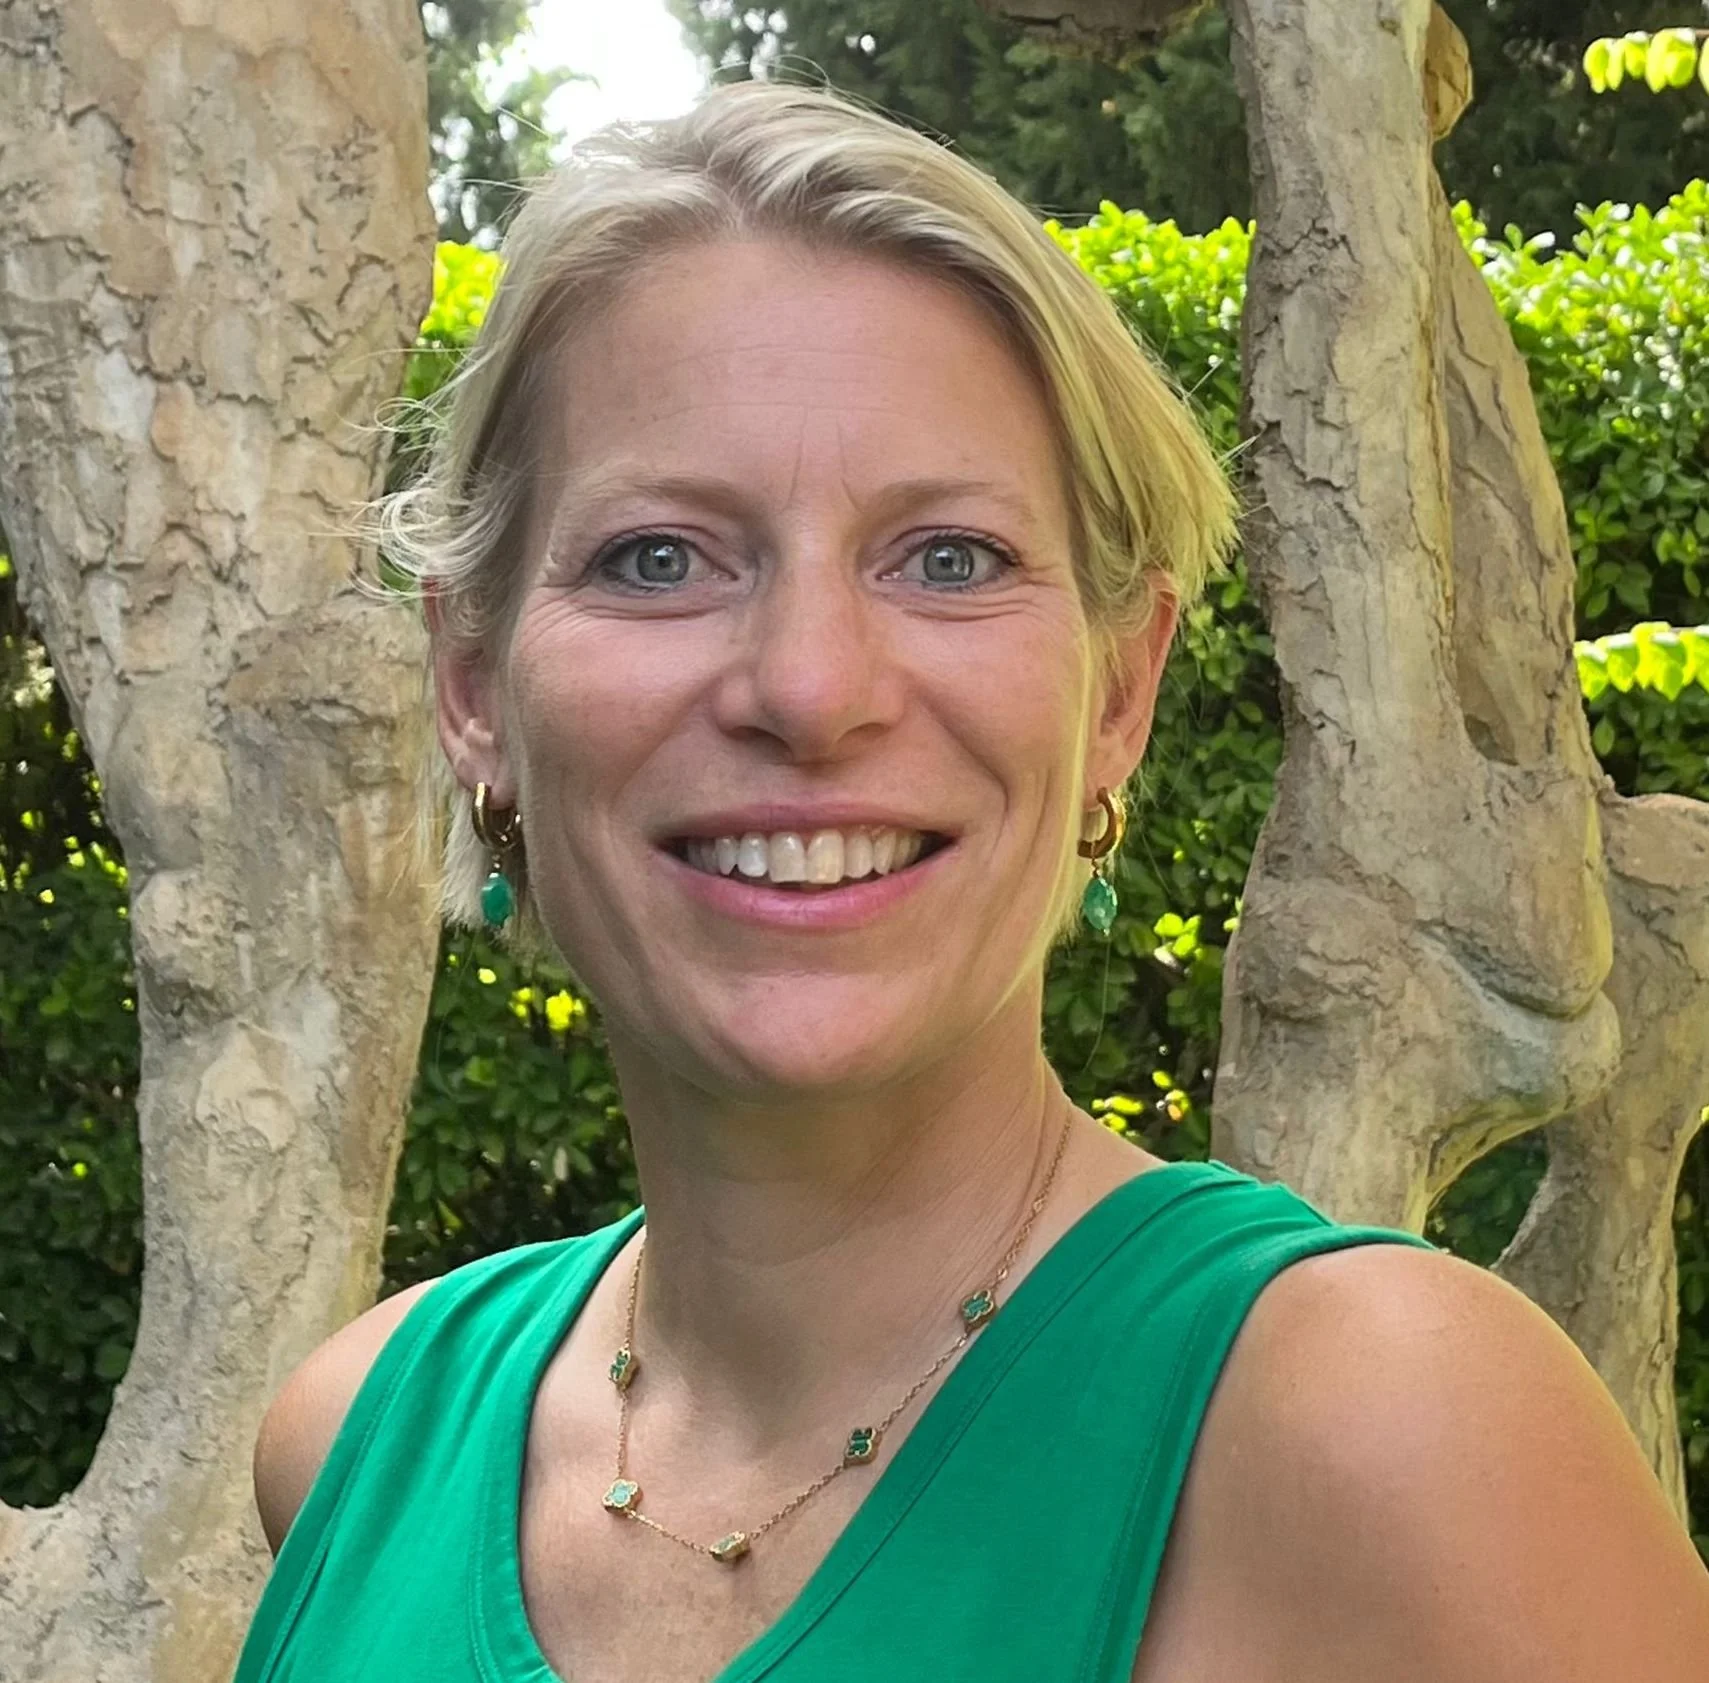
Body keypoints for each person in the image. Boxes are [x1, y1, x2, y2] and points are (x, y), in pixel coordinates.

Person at [234, 80, 1709, 1683]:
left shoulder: (1399, 1441)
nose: (809, 685)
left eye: (949, 557)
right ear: (470, 685)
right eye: (659, 556)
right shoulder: (349, 1440)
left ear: (1120, 694)